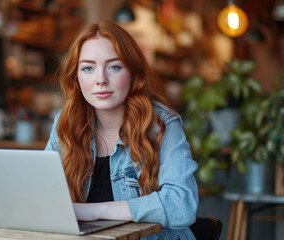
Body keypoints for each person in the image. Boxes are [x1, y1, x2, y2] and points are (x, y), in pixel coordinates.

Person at [45, 21, 198, 239]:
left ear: (133, 72)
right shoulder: (66, 123)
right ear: (76, 78)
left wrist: (96, 211)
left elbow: (182, 205)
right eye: (88, 68)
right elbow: (42, 195)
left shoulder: (161, 124)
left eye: (114, 67)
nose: (101, 80)